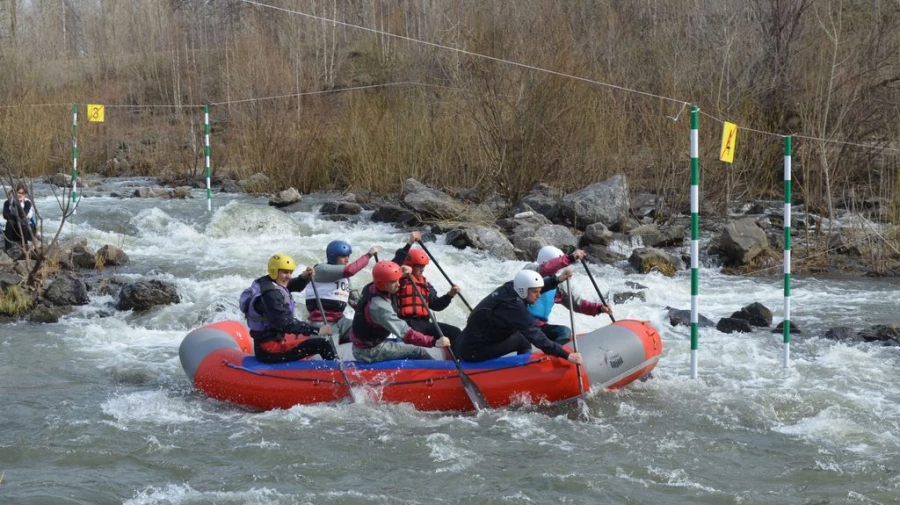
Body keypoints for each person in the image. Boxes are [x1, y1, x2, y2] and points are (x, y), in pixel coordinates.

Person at [454, 269, 584, 365]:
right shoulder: (514, 308)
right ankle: (524, 371)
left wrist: (556, 280)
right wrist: (567, 355)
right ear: (523, 291)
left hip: (465, 341)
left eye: (539, 292)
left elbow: (533, 287)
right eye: (535, 293)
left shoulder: (510, 287)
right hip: (472, 351)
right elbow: (537, 337)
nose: (539, 296)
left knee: (517, 333)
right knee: (524, 340)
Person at [240, 253, 335, 363]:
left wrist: (304, 278)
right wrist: (317, 330)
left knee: (313, 341)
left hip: (268, 343)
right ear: (274, 271)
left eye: (290, 272)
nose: (289, 276)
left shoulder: (267, 281)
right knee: (323, 345)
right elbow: (285, 322)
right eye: (285, 272)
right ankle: (335, 376)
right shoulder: (270, 295)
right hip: (270, 350)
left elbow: (290, 285)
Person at [349, 260, 451, 364]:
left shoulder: (371, 287)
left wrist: (400, 273)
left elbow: (391, 285)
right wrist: (433, 342)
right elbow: (405, 333)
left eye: (398, 280)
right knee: (418, 351)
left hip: (364, 344)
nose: (398, 285)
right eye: (394, 281)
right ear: (382, 283)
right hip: (369, 352)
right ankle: (434, 376)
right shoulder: (380, 307)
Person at [523, 246, 613, 344]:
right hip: (520, 324)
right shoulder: (529, 272)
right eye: (556, 264)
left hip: (539, 326)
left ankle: (556, 356)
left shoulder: (558, 284)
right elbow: (545, 269)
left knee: (564, 331)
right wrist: (570, 258)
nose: (557, 270)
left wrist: (599, 308)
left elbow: (578, 304)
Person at [391, 231, 462, 343]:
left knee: (455, 332)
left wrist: (450, 295)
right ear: (410, 265)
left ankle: (457, 358)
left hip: (424, 324)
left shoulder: (426, 284)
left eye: (423, 266)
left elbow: (436, 305)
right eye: (419, 266)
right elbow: (395, 262)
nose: (422, 269)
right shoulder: (398, 280)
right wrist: (409, 243)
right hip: (406, 324)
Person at [304, 240, 379, 345]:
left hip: (341, 321)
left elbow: (356, 302)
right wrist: (368, 255)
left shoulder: (345, 278)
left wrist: (375, 315)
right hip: (322, 323)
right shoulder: (320, 270)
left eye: (348, 256)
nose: (347, 259)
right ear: (333, 257)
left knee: (368, 332)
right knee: (328, 350)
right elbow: (350, 270)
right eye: (343, 256)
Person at [3, 184, 34, 252]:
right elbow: (5, 215)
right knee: (10, 222)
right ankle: (8, 248)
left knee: (22, 221)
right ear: (14, 192)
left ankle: (25, 246)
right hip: (14, 231)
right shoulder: (8, 202)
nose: (20, 195)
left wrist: (16, 203)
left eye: (23, 193)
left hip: (25, 231)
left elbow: (23, 214)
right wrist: (14, 202)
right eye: (19, 193)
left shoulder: (27, 203)